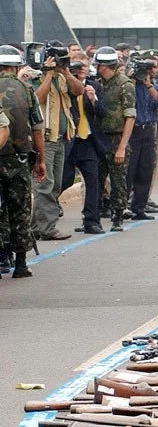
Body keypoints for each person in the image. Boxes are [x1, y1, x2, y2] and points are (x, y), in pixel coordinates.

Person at [0, 45, 46, 278]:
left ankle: (1, 259)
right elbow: (37, 128)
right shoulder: (27, 90)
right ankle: (20, 263)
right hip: (19, 159)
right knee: (20, 209)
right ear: (16, 66)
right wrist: (41, 160)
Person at [31, 41, 82, 241]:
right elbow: (38, 100)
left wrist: (66, 72)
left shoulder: (62, 78)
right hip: (45, 138)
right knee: (45, 184)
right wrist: (48, 74)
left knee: (55, 185)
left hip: (61, 138)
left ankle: (37, 226)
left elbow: (78, 91)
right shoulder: (36, 77)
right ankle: (47, 228)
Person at [62, 61, 109, 235]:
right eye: (77, 68)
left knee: (93, 182)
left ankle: (91, 220)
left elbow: (103, 112)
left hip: (87, 141)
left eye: (84, 68)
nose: (81, 71)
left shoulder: (94, 86)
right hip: (68, 139)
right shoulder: (64, 85)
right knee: (63, 180)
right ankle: (44, 219)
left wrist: (93, 99)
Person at [94, 46, 135, 232]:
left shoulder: (124, 85)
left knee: (118, 179)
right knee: (96, 178)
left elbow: (130, 117)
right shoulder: (97, 83)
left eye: (98, 64)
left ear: (104, 66)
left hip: (117, 137)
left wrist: (122, 147)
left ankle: (118, 215)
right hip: (99, 137)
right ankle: (95, 214)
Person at [125, 59, 158, 221]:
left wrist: (148, 85)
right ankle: (122, 207)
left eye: (152, 69)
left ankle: (139, 207)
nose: (150, 72)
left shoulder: (155, 87)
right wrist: (133, 80)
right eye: (146, 70)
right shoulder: (131, 86)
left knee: (145, 171)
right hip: (133, 131)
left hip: (148, 131)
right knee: (129, 171)